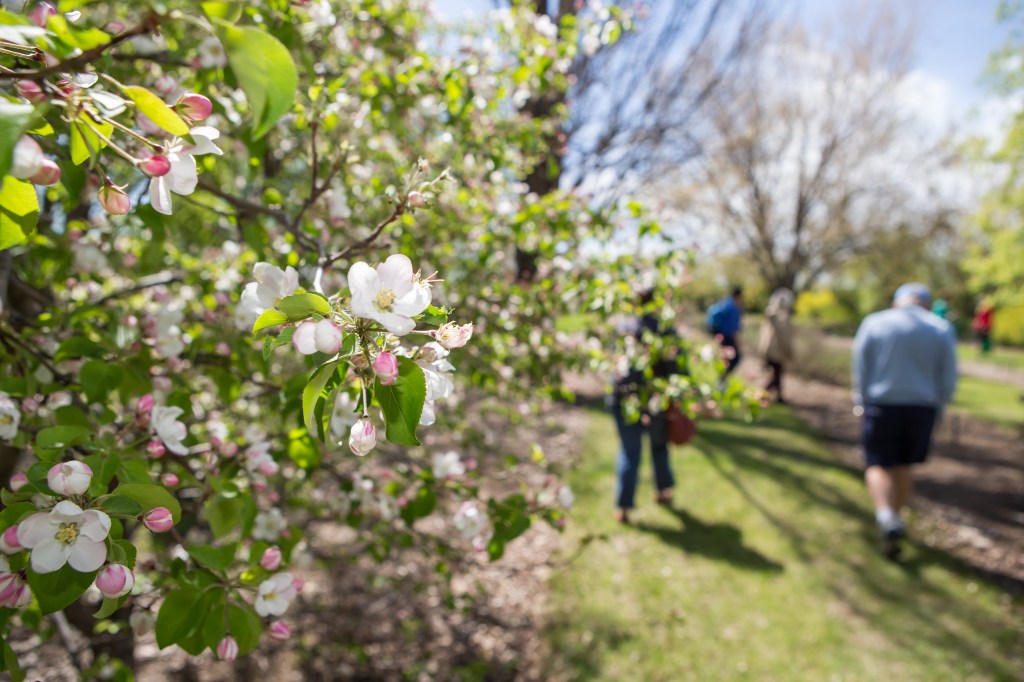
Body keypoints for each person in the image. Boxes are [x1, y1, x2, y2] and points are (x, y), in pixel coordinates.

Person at [851, 283, 957, 558]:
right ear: (925, 302)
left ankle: (886, 516)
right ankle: (893, 522)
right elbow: (947, 376)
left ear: (898, 301)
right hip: (922, 408)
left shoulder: (875, 322)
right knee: (904, 466)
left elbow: (861, 365)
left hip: (881, 404)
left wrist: (859, 401)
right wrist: (941, 407)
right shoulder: (940, 328)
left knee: (877, 463)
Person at [611, 290, 678, 524]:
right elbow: (676, 367)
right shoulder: (663, 328)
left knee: (629, 451)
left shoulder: (623, 326)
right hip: (653, 399)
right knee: (658, 447)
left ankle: (624, 507)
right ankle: (663, 491)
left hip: (624, 397)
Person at [757, 288, 795, 403]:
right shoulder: (777, 316)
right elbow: (782, 336)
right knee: (777, 375)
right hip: (775, 351)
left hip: (776, 351)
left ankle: (777, 396)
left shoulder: (780, 316)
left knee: (777, 374)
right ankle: (762, 394)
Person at [707, 286, 743, 381]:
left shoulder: (725, 303)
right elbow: (733, 329)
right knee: (734, 358)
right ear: (738, 296)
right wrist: (739, 345)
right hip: (728, 337)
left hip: (721, 335)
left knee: (724, 358)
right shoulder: (733, 307)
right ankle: (722, 380)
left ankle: (721, 379)